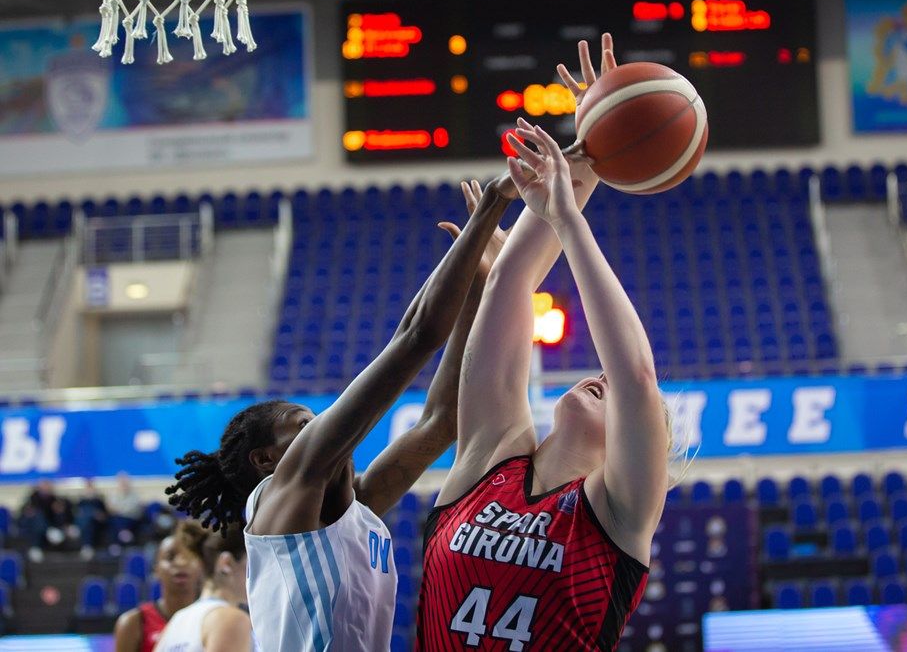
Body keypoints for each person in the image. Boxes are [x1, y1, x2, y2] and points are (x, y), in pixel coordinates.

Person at [165, 176, 517, 651]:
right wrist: (487, 213)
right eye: (305, 426)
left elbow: (442, 421)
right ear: (267, 462)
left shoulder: (358, 510)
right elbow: (414, 336)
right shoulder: (281, 499)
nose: (325, 430)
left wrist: (480, 283)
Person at [417, 35, 684, 651]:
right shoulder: (490, 462)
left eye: (621, 398)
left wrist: (571, 219)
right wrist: (592, 144)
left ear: (638, 440)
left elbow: (637, 374)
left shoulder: (617, 513)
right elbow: (513, 277)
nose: (605, 377)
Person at [154, 524, 252, 652]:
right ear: (226, 563)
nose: (257, 575)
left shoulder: (176, 621)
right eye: (251, 565)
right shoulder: (231, 619)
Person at [114, 520, 205, 652]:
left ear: (201, 567)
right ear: (156, 570)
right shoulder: (133, 622)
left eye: (189, 557)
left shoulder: (211, 619)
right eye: (170, 557)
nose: (180, 563)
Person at [108, 472, 145, 546]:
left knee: (122, 520)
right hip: (118, 518)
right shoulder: (114, 494)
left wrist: (120, 509)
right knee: (114, 520)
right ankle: (123, 534)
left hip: (131, 519)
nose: (123, 484)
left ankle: (122, 534)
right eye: (121, 482)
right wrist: (122, 509)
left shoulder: (135, 495)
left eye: (125, 482)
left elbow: (133, 509)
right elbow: (111, 508)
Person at [76, 478, 109, 560]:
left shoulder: (99, 501)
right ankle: (87, 547)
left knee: (89, 521)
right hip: (84, 523)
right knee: (87, 519)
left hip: (97, 524)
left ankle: (87, 547)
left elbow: (104, 516)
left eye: (91, 487)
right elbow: (78, 514)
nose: (89, 489)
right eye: (87, 487)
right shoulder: (81, 501)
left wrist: (97, 515)